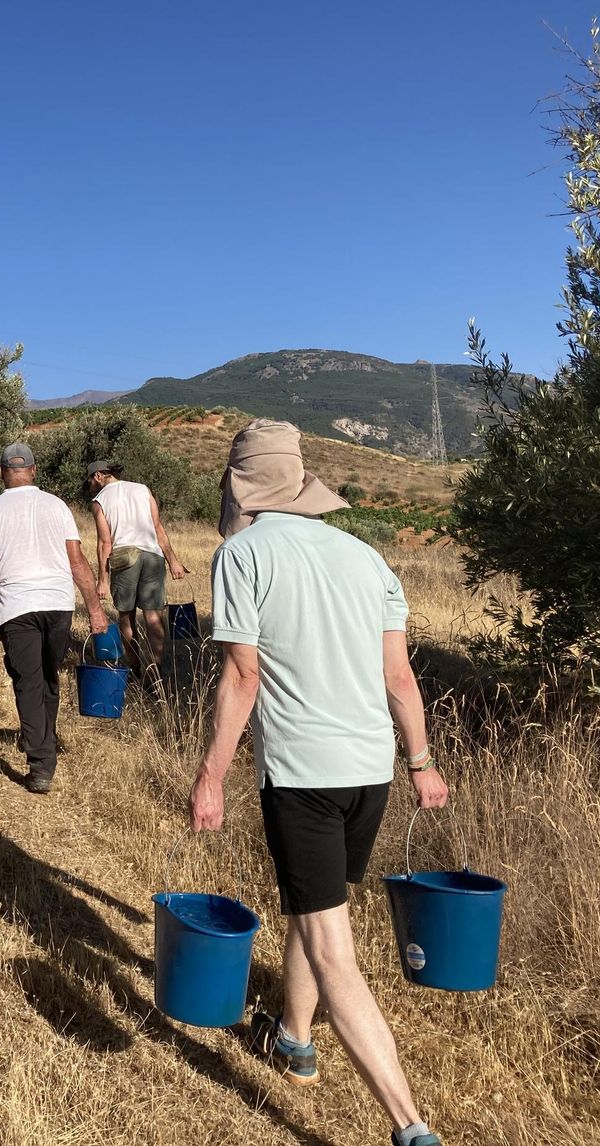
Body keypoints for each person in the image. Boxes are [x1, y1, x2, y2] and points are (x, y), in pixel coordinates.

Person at [188, 419, 449, 1146]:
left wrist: (210, 776)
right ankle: (294, 1037)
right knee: (318, 908)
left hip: (303, 776)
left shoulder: (242, 555)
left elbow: (243, 674)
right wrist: (421, 763)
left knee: (336, 951)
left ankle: (409, 1125)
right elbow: (399, 677)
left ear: (241, 486)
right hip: (371, 772)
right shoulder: (368, 560)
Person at [0, 442, 108, 794]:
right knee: (48, 677)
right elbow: (77, 562)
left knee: (28, 682)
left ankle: (41, 763)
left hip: (17, 608)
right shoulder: (57, 506)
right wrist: (96, 611)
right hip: (59, 605)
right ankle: (45, 739)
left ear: (0, 472)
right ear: (34, 471)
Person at [86, 460, 188, 673]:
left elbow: (105, 543)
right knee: (153, 615)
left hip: (125, 559)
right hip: (153, 556)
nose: (90, 487)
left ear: (97, 476)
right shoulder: (142, 489)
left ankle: (134, 667)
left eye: (89, 482)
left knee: (126, 616)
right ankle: (156, 670)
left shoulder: (100, 500)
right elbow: (158, 528)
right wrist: (173, 561)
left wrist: (102, 580)